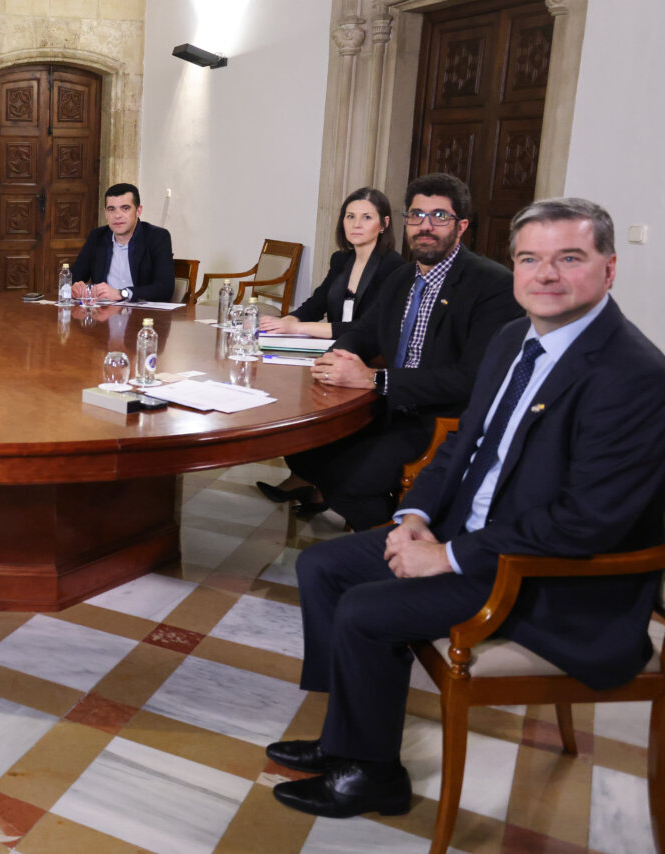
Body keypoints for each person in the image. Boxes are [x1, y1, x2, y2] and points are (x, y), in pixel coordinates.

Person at [266, 198, 665, 820]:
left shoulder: (633, 374)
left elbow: (588, 520)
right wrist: (414, 519)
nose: (546, 274)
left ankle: (373, 776)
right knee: (322, 568)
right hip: (471, 536)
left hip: (543, 578)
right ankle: (348, 737)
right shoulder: (514, 338)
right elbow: (461, 443)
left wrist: (447, 556)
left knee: (365, 609)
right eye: (530, 259)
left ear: (609, 270)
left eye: (570, 258)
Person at [281, 173, 520, 528]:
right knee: (301, 453)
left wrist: (375, 379)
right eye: (416, 215)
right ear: (406, 222)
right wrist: (338, 357)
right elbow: (363, 333)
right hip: (387, 409)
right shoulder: (401, 279)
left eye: (439, 216)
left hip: (440, 421)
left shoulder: (493, 285)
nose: (425, 226)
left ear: (462, 226)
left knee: (350, 482)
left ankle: (391, 551)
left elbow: (470, 379)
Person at [256, 187, 405, 512]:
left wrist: (299, 328)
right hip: (329, 351)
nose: (356, 224)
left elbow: (369, 329)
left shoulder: (394, 267)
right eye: (350, 216)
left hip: (365, 360)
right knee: (292, 398)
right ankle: (306, 478)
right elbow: (318, 302)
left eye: (366, 217)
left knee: (325, 416)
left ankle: (318, 483)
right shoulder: (342, 260)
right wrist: (287, 320)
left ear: (384, 223)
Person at [71, 183, 174, 303]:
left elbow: (165, 289)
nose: (117, 215)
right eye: (111, 209)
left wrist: (121, 293)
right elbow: (73, 276)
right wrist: (75, 287)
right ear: (105, 213)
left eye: (125, 208)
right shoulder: (97, 237)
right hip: (103, 314)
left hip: (142, 315)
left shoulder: (157, 237)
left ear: (138, 211)